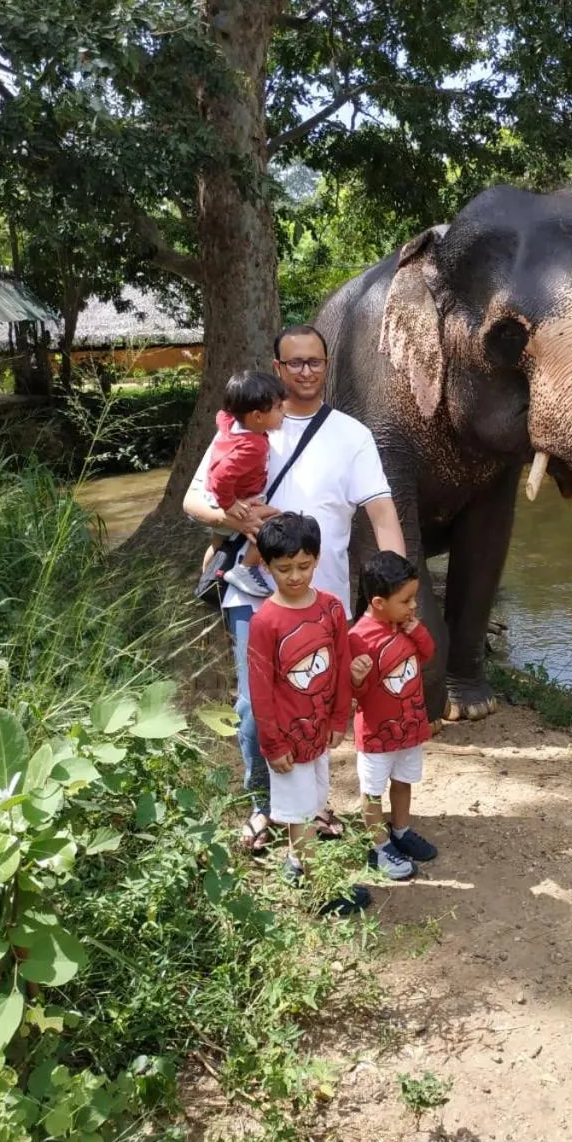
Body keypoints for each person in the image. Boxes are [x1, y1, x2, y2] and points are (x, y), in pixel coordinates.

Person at [182, 324, 406, 854]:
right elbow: (194, 502)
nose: (306, 371)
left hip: (322, 596)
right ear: (277, 369)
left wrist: (396, 586)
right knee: (254, 706)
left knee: (317, 700)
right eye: (295, 363)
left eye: (315, 361)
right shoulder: (248, 422)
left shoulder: (351, 435)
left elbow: (382, 512)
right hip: (253, 592)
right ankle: (263, 805)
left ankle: (314, 803)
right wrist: (238, 520)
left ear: (327, 365)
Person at [247, 511, 370, 914]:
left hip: (319, 731)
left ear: (317, 559)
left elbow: (341, 664)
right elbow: (260, 690)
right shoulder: (265, 622)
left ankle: (297, 862)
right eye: (284, 569)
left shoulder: (331, 608)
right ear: (266, 566)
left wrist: (338, 718)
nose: (296, 576)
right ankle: (321, 892)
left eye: (304, 565)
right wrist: (273, 743)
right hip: (288, 738)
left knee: (314, 799)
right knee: (299, 813)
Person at [349, 550, 438, 882]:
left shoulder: (405, 627)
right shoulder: (358, 638)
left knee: (403, 782)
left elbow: (427, 653)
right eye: (406, 600)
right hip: (377, 736)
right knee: (373, 791)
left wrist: (416, 630)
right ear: (378, 602)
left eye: (413, 598)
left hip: (410, 729)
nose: (413, 606)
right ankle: (379, 845)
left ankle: (401, 829)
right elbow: (355, 694)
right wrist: (356, 677)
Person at [202, 370, 287, 597]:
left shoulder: (230, 422)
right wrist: (229, 504)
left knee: (218, 541)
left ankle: (207, 581)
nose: (284, 412)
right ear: (257, 417)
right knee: (272, 520)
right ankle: (245, 568)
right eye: (279, 407)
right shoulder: (253, 446)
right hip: (230, 497)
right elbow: (221, 476)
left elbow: (222, 414)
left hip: (213, 495)